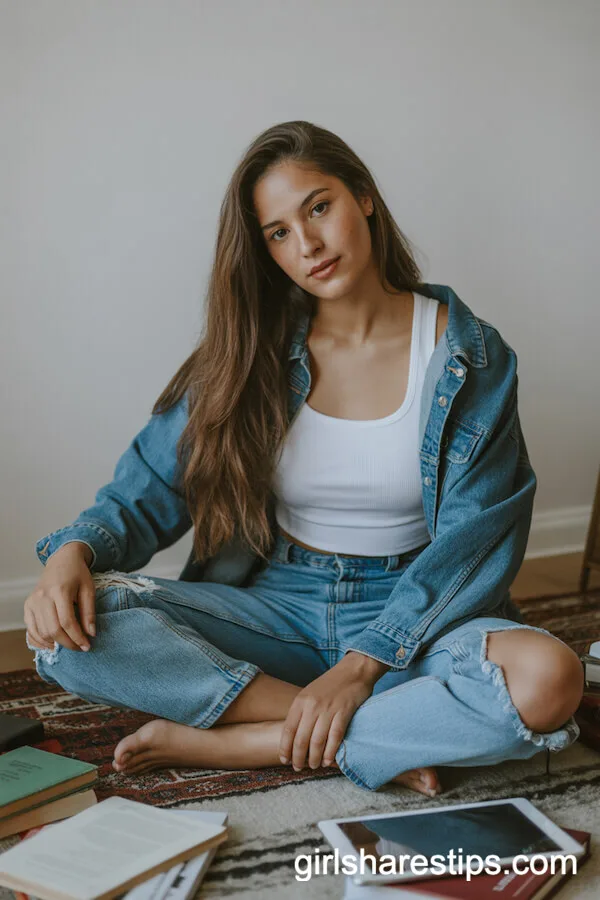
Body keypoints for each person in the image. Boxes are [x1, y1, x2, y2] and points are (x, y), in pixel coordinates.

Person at [24, 121, 583, 795]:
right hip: (277, 608)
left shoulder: (469, 358)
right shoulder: (248, 351)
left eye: (319, 207)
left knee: (551, 679)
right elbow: (143, 493)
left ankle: (251, 741)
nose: (309, 244)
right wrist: (71, 554)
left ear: (364, 198)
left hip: (414, 613)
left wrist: (362, 666)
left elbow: (473, 541)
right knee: (64, 628)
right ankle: (348, 729)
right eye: (279, 232)